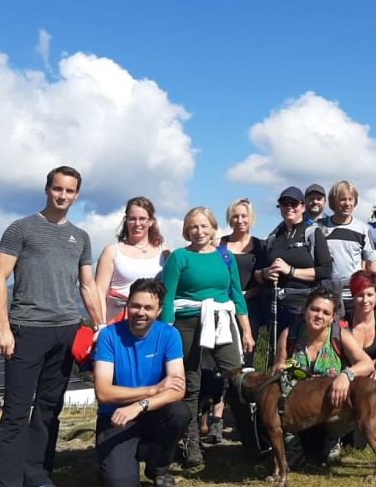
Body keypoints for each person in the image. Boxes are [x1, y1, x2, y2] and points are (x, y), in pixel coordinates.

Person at [0, 165, 104, 487]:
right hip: (26, 329)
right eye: (58, 189)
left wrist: (100, 325)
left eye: (69, 191)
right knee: (15, 412)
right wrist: (3, 327)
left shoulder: (81, 237)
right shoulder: (21, 229)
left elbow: (87, 285)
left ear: (77, 195)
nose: (63, 195)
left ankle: (37, 475)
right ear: (47, 189)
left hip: (66, 331)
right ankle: (5, 482)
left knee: (49, 410)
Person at [160, 206, 253, 468]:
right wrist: (167, 332)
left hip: (222, 320)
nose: (199, 231)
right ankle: (191, 442)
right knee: (190, 381)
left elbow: (237, 293)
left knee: (236, 378)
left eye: (204, 226)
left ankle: (250, 437)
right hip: (187, 323)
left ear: (213, 228)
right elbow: (167, 297)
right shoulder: (179, 257)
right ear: (186, 230)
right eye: (193, 226)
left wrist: (246, 330)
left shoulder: (225, 257)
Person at [94, 278, 187, 487]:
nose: (140, 312)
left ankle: (158, 469)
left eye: (148, 307)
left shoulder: (169, 334)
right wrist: (154, 389)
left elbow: (177, 390)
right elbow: (103, 392)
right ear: (127, 304)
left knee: (179, 412)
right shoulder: (109, 335)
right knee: (119, 482)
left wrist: (140, 405)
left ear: (159, 310)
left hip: (151, 413)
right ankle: (120, 460)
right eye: (136, 305)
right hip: (116, 418)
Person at [272, 288, 375, 465]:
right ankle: (293, 448)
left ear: (333, 317)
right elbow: (275, 370)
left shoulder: (339, 335)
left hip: (333, 411)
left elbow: (367, 363)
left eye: (326, 312)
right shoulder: (290, 334)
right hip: (299, 413)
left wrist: (346, 374)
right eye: (315, 309)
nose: (319, 315)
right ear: (305, 310)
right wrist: (281, 368)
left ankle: (333, 441)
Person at [212, 198, 267, 442]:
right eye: (235, 216)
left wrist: (244, 296)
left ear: (251, 218)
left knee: (246, 362)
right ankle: (216, 417)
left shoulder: (260, 247)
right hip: (222, 310)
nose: (240, 220)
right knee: (219, 365)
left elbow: (263, 282)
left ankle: (245, 418)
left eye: (244, 216)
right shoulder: (219, 245)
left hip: (251, 309)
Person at [259, 186, 333, 340]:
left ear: (303, 206)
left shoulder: (313, 233)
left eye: (294, 203)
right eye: (284, 203)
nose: (289, 207)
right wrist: (266, 273)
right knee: (277, 353)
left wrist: (291, 271)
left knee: (299, 352)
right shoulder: (273, 237)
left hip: (302, 306)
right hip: (275, 306)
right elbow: (258, 272)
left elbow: (325, 270)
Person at [96, 197, 171, 323]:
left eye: (142, 219)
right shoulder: (112, 251)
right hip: (117, 319)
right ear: (126, 221)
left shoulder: (164, 252)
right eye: (132, 219)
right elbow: (99, 292)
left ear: (151, 221)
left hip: (153, 320)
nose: (137, 224)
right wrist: (100, 324)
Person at [319, 180, 376, 316]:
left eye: (350, 199)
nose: (347, 203)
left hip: (355, 294)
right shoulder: (321, 228)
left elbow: (372, 264)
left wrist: (374, 290)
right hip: (328, 292)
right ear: (334, 201)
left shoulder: (363, 229)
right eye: (342, 199)